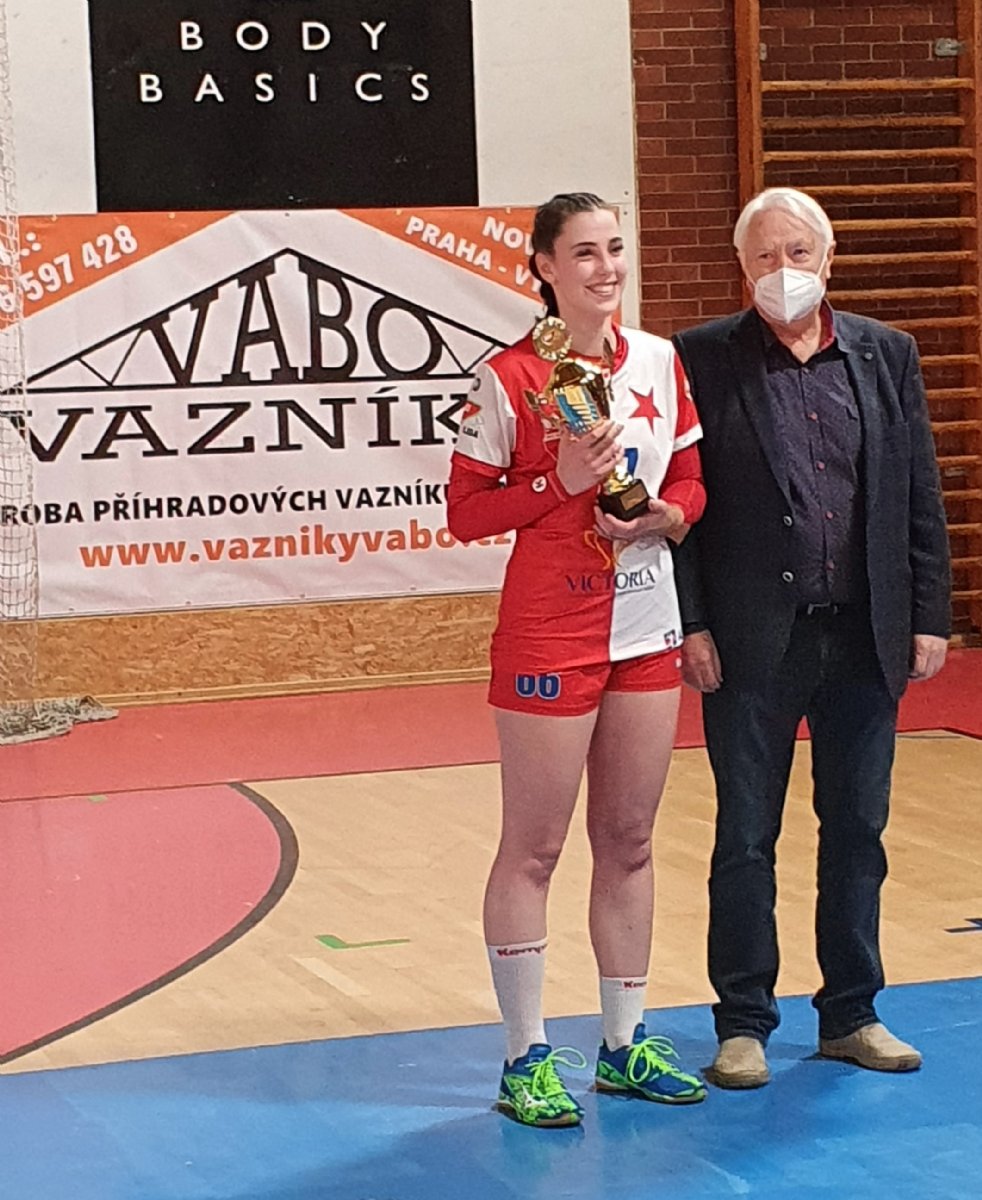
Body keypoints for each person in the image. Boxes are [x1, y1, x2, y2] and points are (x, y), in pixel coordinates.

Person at [671, 187, 951, 1089]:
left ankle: (852, 1013)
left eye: (797, 253)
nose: (781, 270)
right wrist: (692, 623)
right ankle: (743, 1021)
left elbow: (918, 490)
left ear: (828, 260)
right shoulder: (700, 358)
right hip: (751, 639)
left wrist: (930, 614)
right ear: (741, 267)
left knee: (858, 829)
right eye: (763, 256)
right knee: (745, 837)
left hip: (865, 633)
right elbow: (683, 507)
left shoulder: (886, 353)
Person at [447, 193, 707, 1126]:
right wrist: (552, 483)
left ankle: (624, 1044)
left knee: (630, 841)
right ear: (545, 269)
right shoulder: (509, 377)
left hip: (646, 627)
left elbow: (689, 479)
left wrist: (671, 515)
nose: (606, 269)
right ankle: (524, 1057)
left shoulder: (660, 361)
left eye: (615, 249)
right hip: (551, 634)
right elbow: (465, 512)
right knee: (536, 847)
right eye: (585, 253)